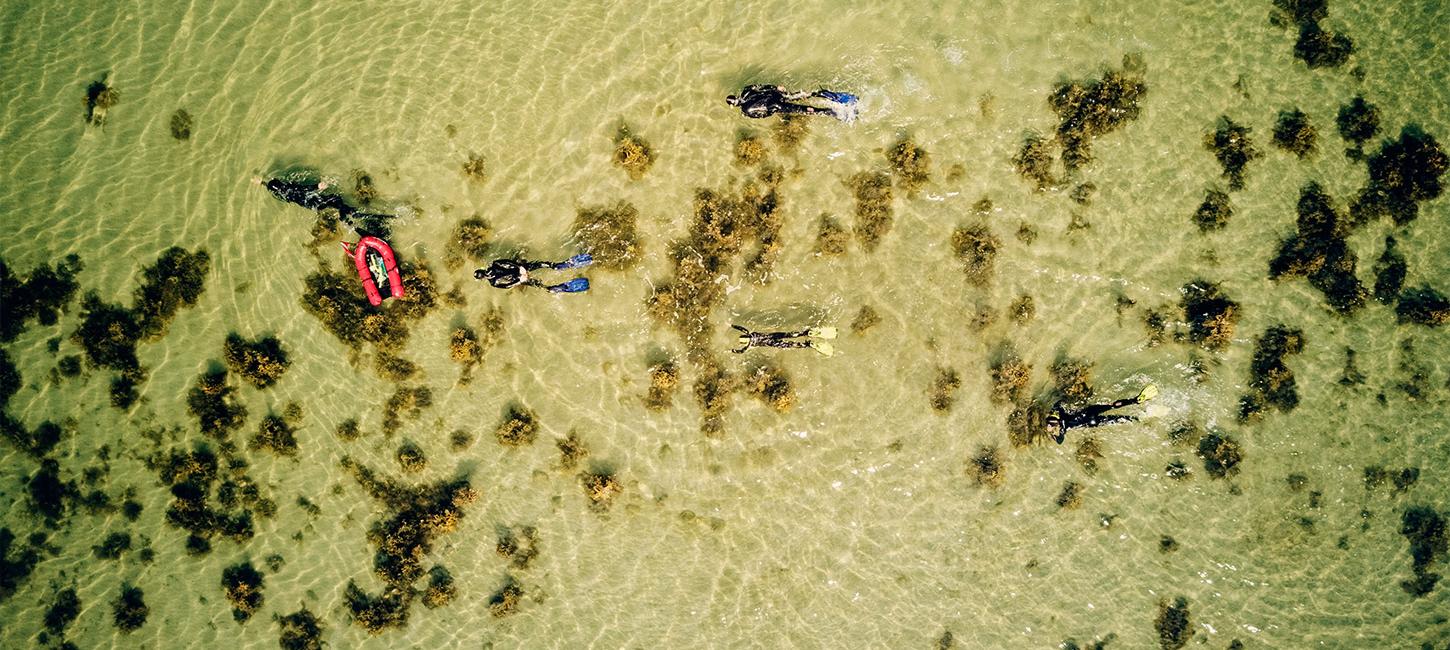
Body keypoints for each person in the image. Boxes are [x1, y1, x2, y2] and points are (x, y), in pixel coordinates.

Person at [1046, 384, 1158, 444]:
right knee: (1112, 405)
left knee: (1115, 419)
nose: (1049, 426)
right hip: (1089, 412)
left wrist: (1052, 434)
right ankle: (1135, 400)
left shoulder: (1063, 428)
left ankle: (1136, 419)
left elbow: (1060, 441)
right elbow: (1059, 404)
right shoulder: (1061, 418)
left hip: (1091, 422)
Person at [725, 85, 857, 121]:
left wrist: (775, 110)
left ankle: (834, 113)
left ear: (733, 105)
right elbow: (762, 87)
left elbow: (764, 114)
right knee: (803, 95)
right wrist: (776, 88)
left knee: (804, 109)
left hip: (777, 105)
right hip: (777, 96)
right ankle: (826, 95)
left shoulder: (746, 111)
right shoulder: (746, 90)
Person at [475, 254, 592, 293]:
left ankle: (557, 286)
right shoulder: (494, 270)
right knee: (547, 271)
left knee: (544, 286)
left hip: (522, 273)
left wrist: (520, 274)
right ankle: (563, 268)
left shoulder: (493, 280)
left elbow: (507, 283)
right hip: (522, 273)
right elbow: (508, 264)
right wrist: (520, 274)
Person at [731, 324, 836, 356]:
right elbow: (742, 329)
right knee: (788, 335)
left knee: (789, 345)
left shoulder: (749, 345)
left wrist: (733, 351)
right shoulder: (750, 333)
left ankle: (807, 344)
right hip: (773, 336)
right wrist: (733, 326)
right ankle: (806, 333)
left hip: (772, 343)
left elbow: (742, 351)